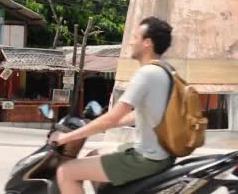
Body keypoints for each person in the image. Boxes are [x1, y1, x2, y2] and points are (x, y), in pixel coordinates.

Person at [49, 17, 175, 194]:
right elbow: (138, 114)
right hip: (162, 154)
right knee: (93, 155)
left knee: (66, 172)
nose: (131, 42)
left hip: (146, 158)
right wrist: (103, 122)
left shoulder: (146, 74)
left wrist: (65, 138)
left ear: (147, 43)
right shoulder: (166, 70)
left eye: (135, 37)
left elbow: (113, 117)